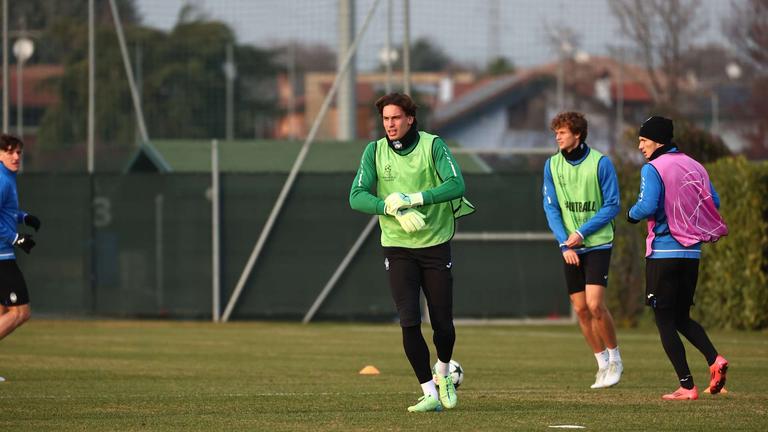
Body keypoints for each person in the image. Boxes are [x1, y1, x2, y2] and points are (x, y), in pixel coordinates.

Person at [349, 93, 474, 412]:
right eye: (385, 119)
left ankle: (444, 372)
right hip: (397, 246)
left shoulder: (433, 146)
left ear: (410, 119)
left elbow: (456, 185)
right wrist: (387, 206)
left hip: (435, 244)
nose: (390, 124)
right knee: (408, 321)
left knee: (442, 322)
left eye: (395, 118)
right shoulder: (374, 151)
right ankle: (429, 391)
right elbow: (356, 196)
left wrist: (415, 198)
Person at [627, 116, 729, 401]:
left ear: (658, 141)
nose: (640, 146)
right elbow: (714, 202)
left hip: (664, 253)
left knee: (664, 320)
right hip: (692, 254)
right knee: (682, 316)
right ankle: (714, 359)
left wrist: (631, 214)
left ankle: (687, 386)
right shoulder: (695, 165)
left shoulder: (654, 168)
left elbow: (647, 205)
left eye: (643, 140)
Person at [542, 111, 623, 389]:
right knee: (580, 309)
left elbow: (612, 205)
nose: (557, 137)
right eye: (556, 132)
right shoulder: (552, 165)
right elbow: (551, 207)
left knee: (595, 304)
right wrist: (564, 242)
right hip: (570, 246)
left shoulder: (600, 163)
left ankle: (615, 359)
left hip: (597, 242)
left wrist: (581, 233)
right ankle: (601, 364)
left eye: (562, 132)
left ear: (577, 134)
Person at [0, 134, 40, 382]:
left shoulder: (8, 179)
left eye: (19, 152)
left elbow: (6, 212)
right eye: (10, 152)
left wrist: (24, 218)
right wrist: (17, 239)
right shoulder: (2, 181)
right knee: (20, 313)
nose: (16, 157)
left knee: (3, 310)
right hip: (1, 256)